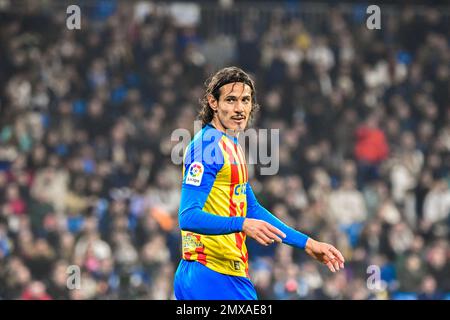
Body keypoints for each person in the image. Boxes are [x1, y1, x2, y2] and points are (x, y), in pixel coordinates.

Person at [173, 66, 345, 300]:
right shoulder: (207, 147)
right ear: (213, 103)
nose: (239, 109)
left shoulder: (230, 146)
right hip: (213, 274)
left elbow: (252, 208)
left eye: (245, 100)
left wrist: (307, 243)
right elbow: (188, 216)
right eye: (231, 100)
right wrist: (242, 224)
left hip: (212, 274)